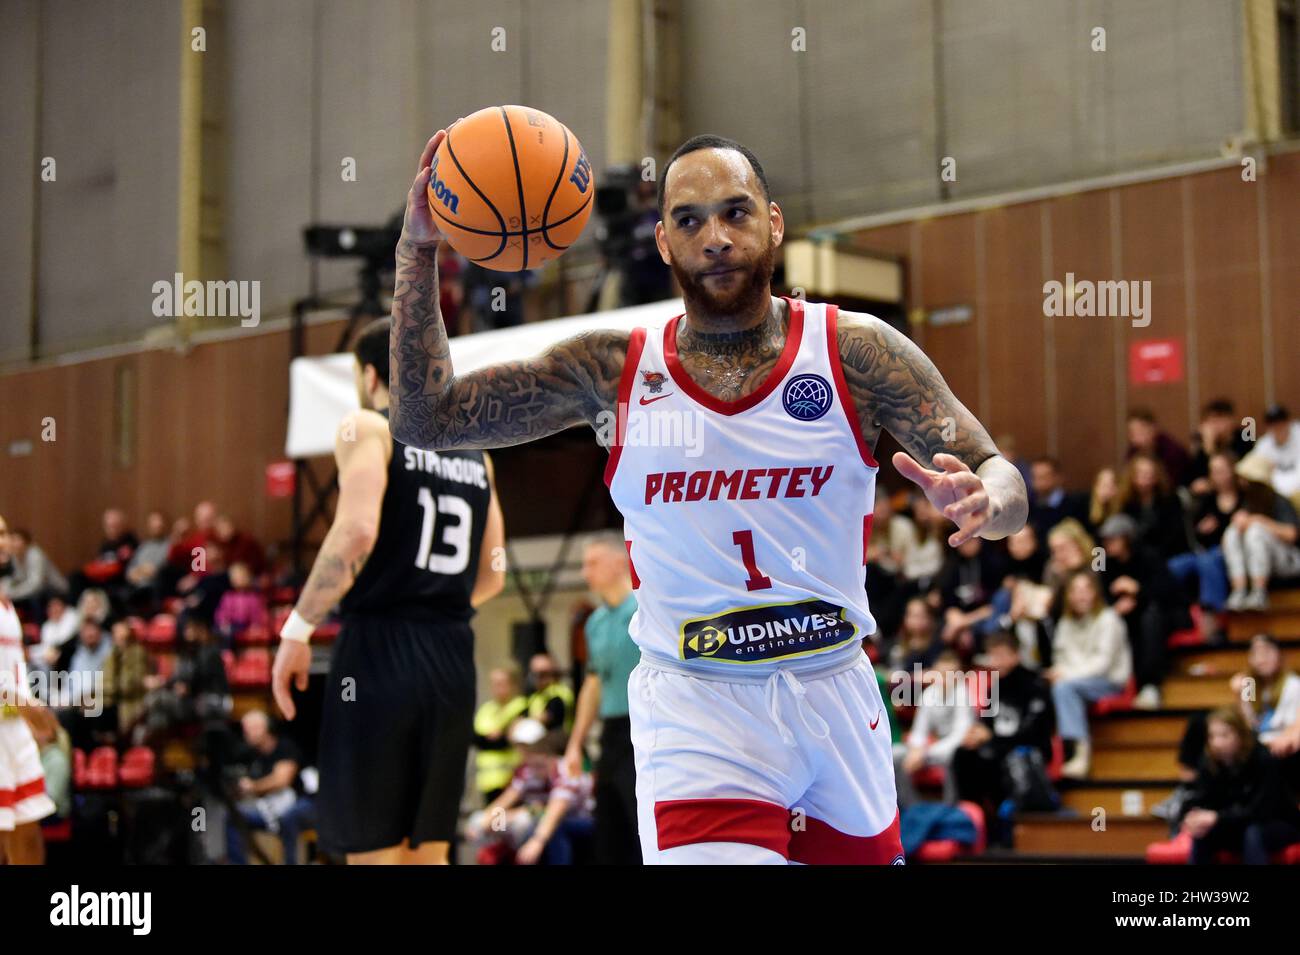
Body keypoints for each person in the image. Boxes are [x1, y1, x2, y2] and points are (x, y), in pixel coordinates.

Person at [388, 129, 1028, 863]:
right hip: (699, 706)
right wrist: (418, 250)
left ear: (773, 222)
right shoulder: (612, 372)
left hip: (838, 694)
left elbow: (1000, 474)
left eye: (735, 212)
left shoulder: (855, 351)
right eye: (689, 220)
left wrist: (988, 500)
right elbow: (423, 418)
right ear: (662, 242)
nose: (715, 236)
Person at [271, 317, 506, 866]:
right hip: (451, 659)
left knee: (373, 852)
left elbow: (355, 532)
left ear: (371, 374)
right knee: (427, 854)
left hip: (380, 654)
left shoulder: (368, 428)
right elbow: (493, 572)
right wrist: (434, 603)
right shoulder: (477, 452)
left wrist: (299, 628)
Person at [563, 534, 642, 865]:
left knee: (642, 826)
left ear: (619, 561)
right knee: (608, 829)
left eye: (592, 563)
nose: (585, 572)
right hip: (611, 735)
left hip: (643, 731)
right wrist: (575, 742)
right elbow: (592, 685)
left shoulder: (644, 609)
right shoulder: (594, 622)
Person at [951, 632, 1054, 830]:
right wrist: (976, 733)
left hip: (1028, 749)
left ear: (1016, 655)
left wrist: (991, 737)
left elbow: (1034, 732)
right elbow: (987, 724)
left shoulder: (1035, 685)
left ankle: (1002, 824)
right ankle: (976, 818)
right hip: (998, 746)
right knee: (962, 754)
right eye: (992, 656)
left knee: (989, 759)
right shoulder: (995, 686)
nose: (996, 661)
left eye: (1002, 655)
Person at [0, 513, 57, 864]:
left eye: (4, 533)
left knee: (30, 831)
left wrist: (32, 707)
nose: (2, 541)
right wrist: (26, 706)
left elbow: (15, 669)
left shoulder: (7, 604)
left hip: (13, 725)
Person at [1179, 707, 1300, 865]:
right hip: (1235, 822)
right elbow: (1201, 798)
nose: (1217, 743)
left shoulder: (1263, 758)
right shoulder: (1208, 762)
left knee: (1253, 832)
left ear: (1240, 736)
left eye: (1224, 735)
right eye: (1212, 736)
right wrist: (1192, 816)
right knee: (1203, 833)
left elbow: (1260, 810)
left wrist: (1217, 818)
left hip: (1278, 824)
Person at [466, 719, 595, 866]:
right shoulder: (527, 772)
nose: (523, 752)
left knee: (532, 824)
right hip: (538, 821)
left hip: (578, 821)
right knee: (483, 822)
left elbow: (554, 811)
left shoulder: (566, 770)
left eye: (528, 746)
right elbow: (505, 802)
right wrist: (486, 822)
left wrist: (537, 840)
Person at [1047, 570, 1132, 779]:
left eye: (1086, 590)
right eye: (1075, 591)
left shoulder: (1108, 619)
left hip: (1109, 680)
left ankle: (1079, 752)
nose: (1081, 596)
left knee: (1064, 688)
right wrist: (1060, 672)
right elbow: (1060, 657)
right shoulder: (1065, 623)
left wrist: (1066, 675)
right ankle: (1049, 756)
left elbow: (1102, 664)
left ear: (1095, 593)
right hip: (1075, 682)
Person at [1095, 513, 1178, 709]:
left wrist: (1138, 591)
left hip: (1160, 612)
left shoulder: (1148, 555)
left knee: (1150, 618)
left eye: (1114, 539)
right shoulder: (1104, 561)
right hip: (1125, 615)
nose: (1108, 544)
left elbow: (1168, 592)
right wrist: (1116, 605)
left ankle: (1149, 684)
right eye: (1106, 540)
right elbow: (1100, 593)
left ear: (1127, 538)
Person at [225, 710, 314, 865]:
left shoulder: (284, 746)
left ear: (266, 728)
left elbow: (282, 780)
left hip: (302, 804)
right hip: (270, 810)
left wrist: (252, 786)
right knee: (233, 816)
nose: (247, 733)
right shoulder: (253, 755)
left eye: (252, 728)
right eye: (245, 729)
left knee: (290, 818)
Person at [894, 649, 973, 807]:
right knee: (895, 754)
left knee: (954, 757)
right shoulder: (929, 693)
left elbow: (960, 735)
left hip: (953, 748)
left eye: (950, 674)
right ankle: (910, 806)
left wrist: (925, 753)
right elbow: (919, 731)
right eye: (941, 673)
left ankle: (950, 807)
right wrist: (916, 749)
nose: (944, 678)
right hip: (931, 749)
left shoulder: (963, 694)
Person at [1221, 473, 1300, 611]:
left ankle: (1259, 592)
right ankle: (1239, 591)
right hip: (1251, 563)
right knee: (1232, 531)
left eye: (1247, 480)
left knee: (1255, 531)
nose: (1243, 483)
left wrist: (1259, 520)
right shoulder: (1247, 503)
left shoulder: (1279, 500)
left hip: (1288, 561)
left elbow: (1292, 534)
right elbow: (1225, 543)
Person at [473, 666, 528, 805]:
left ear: (512, 685)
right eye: (495, 684)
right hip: (488, 780)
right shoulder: (486, 709)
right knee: (494, 823)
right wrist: (499, 735)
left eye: (502, 683)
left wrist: (496, 737)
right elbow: (477, 740)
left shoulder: (520, 706)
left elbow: (507, 741)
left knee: (504, 823)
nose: (498, 688)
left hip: (512, 780)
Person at [0, 528, 68, 621]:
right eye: (12, 540)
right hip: (34, 589)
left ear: (26, 542)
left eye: (17, 540)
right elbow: (17, 578)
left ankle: (39, 626)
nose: (14, 544)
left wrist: (12, 593)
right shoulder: (15, 556)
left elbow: (35, 585)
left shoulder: (35, 554)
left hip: (54, 590)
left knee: (33, 599)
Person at [1027, 457, 1089, 540]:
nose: (1039, 482)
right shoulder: (1029, 508)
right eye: (1035, 477)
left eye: (1044, 476)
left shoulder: (1076, 505)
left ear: (1058, 477)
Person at [1126, 407, 1190, 487]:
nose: (1135, 439)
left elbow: (1172, 485)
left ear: (1152, 429)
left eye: (1139, 431)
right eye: (1132, 434)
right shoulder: (1133, 452)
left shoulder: (1172, 452)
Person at [1252, 405, 1300, 507]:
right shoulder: (1263, 445)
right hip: (1277, 497)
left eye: (1280, 423)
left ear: (1288, 422)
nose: (1278, 428)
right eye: (1273, 425)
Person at [526, 653, 574, 733]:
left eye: (543, 674)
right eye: (534, 674)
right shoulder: (534, 696)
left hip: (559, 738)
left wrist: (527, 722)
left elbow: (548, 717)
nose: (538, 678)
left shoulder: (561, 692)